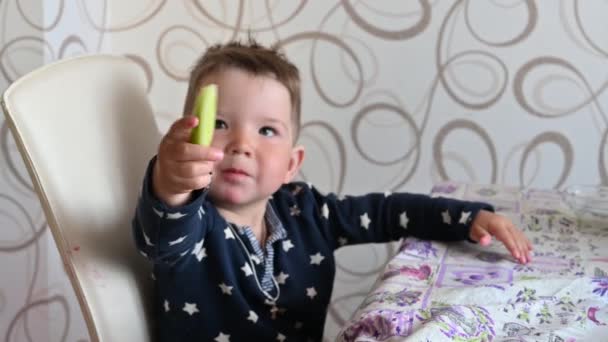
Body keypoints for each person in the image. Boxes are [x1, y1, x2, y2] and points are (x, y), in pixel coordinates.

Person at [132, 38, 532, 341]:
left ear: (292, 164)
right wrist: (169, 181)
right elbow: (163, 227)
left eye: (267, 130)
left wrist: (469, 217)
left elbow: (388, 212)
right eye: (219, 124)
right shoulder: (188, 226)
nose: (241, 143)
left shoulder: (307, 211)